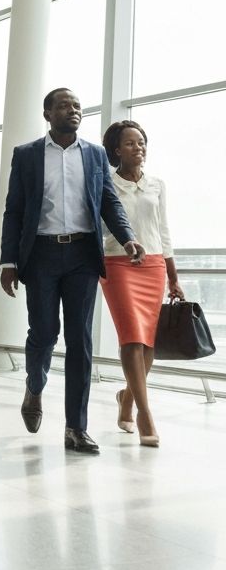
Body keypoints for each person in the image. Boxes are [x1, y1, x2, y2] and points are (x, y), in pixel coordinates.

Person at [0, 88, 143, 454]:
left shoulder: (94, 154)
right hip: (42, 255)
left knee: (80, 340)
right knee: (45, 332)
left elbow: (107, 201)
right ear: (47, 114)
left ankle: (75, 428)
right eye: (64, 105)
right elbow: (14, 210)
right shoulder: (28, 155)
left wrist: (127, 238)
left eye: (77, 105)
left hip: (82, 254)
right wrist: (9, 261)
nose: (72, 110)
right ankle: (35, 385)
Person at [100, 120, 184, 448]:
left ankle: (126, 399)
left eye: (142, 142)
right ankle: (145, 413)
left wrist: (174, 277)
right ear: (116, 149)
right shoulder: (105, 183)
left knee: (148, 343)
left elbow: (163, 232)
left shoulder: (157, 185)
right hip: (116, 264)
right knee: (131, 338)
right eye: (132, 143)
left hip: (153, 267)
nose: (139, 148)